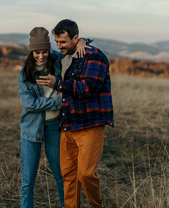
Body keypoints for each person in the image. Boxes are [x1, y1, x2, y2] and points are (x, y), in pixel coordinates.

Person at [37, 19, 114, 208]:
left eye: (63, 42)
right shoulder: (68, 55)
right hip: (68, 124)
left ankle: (96, 205)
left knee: (86, 173)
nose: (59, 46)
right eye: (56, 42)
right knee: (69, 176)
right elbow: (39, 56)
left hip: (89, 124)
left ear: (75, 38)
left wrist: (58, 84)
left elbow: (88, 88)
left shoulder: (93, 56)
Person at [18, 27, 86, 208]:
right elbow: (29, 104)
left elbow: (71, 47)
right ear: (32, 52)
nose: (41, 56)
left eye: (44, 51)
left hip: (55, 126)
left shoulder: (56, 61)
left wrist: (82, 41)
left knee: (61, 175)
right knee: (28, 180)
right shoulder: (25, 74)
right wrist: (59, 102)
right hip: (31, 129)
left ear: (49, 50)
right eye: (37, 52)